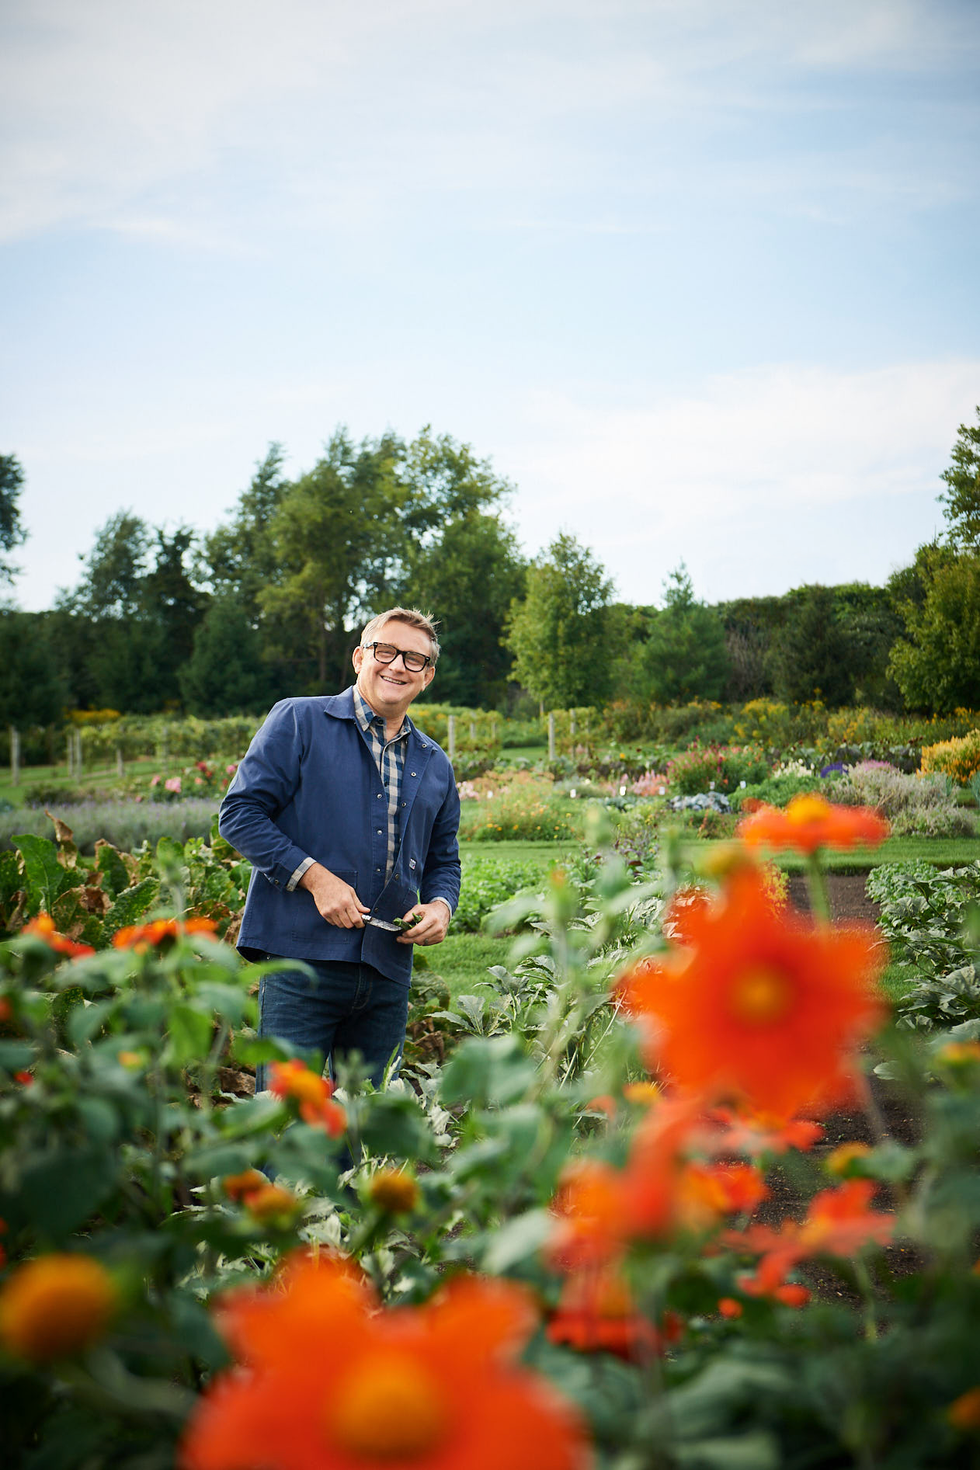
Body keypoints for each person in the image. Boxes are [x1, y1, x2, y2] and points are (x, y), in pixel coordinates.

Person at [218, 607, 461, 1092]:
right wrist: (315, 877)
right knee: (286, 1123)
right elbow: (240, 813)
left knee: (365, 1129)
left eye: (414, 659)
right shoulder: (299, 720)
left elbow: (443, 858)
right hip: (301, 960)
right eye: (385, 651)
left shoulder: (434, 763)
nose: (397, 666)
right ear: (359, 657)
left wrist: (440, 905)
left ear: (427, 676)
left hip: (387, 967)